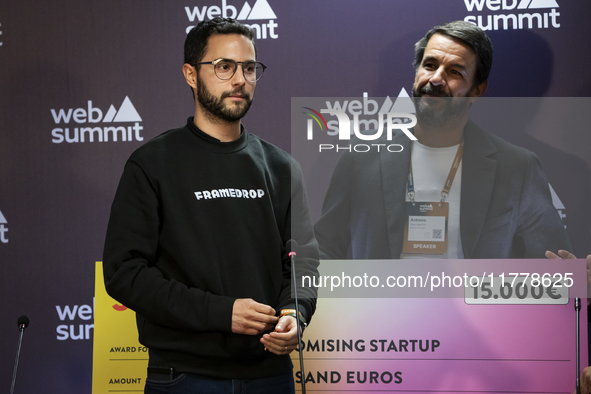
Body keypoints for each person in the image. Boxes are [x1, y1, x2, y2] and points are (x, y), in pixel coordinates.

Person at [102, 17, 319, 393]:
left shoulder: (282, 167)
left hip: (270, 375)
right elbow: (124, 273)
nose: (240, 80)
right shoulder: (153, 163)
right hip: (185, 376)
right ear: (191, 74)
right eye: (224, 67)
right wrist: (221, 313)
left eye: (249, 68)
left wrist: (294, 314)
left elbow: (303, 262)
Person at [314, 20, 571, 259]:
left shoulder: (517, 167)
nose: (436, 79)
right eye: (430, 65)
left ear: (477, 90)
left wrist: (578, 281)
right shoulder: (361, 158)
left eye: (455, 72)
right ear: (416, 74)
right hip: (380, 307)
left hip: (478, 308)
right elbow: (323, 249)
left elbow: (553, 262)